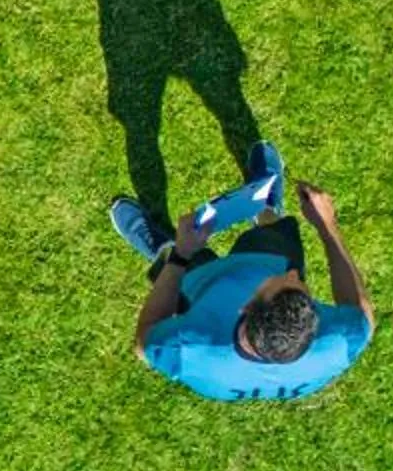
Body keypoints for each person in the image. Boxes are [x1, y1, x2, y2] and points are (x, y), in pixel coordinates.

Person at [113, 160, 373, 402]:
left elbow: (145, 341)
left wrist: (180, 256)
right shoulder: (338, 342)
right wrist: (327, 226)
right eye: (302, 288)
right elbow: (363, 317)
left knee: (175, 262)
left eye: (277, 282)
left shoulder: (192, 349)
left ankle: (162, 247)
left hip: (200, 288)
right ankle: (264, 200)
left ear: (246, 307)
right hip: (264, 258)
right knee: (273, 232)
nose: (293, 273)